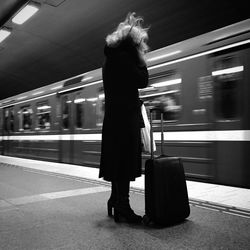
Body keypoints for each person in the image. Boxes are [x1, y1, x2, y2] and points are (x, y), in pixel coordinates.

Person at [99, 12, 149, 223]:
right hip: (125, 119)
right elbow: (143, 80)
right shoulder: (127, 58)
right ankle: (123, 206)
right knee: (125, 162)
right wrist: (141, 60)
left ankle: (114, 200)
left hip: (113, 118)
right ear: (133, 43)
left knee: (116, 162)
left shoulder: (110, 59)